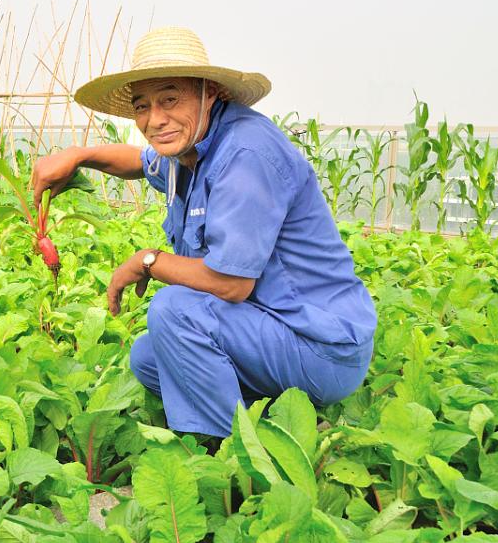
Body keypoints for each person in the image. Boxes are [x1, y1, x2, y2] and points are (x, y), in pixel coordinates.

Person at [31, 26, 376, 444]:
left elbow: (231, 284)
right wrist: (79, 155)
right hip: (267, 328)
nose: (154, 119)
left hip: (319, 346)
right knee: (149, 359)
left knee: (174, 310)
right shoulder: (189, 146)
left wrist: (148, 261)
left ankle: (225, 454)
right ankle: (269, 419)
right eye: (143, 106)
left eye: (170, 99)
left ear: (209, 92)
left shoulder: (245, 153)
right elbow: (138, 161)